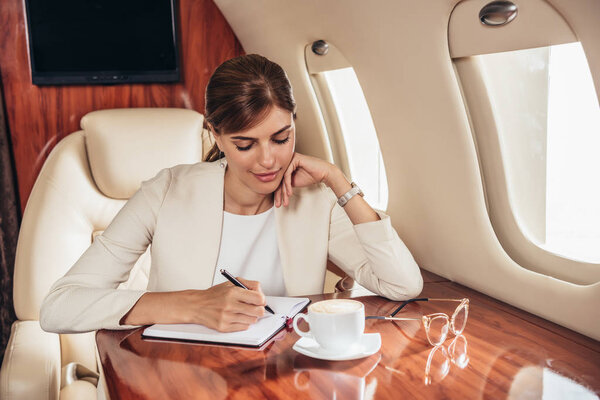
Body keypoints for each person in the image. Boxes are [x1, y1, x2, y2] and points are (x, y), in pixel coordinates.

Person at [40, 54, 423, 334]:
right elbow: (59, 307)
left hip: (283, 377)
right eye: (245, 145)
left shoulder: (317, 199)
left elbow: (401, 285)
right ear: (216, 135)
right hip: (177, 375)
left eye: (281, 138)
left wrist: (339, 181)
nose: (268, 160)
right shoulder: (166, 191)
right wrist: (192, 305)